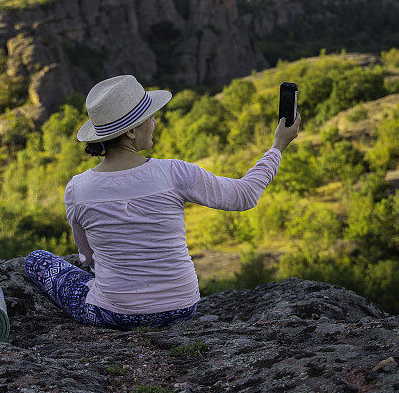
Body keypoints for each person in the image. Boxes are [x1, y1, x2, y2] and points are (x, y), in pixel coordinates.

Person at [24, 74, 301, 330]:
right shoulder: (174, 172)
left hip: (116, 314)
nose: (155, 122)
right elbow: (244, 195)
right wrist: (278, 146)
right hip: (182, 308)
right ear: (131, 131)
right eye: (150, 117)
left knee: (36, 259)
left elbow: (88, 258)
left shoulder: (77, 189)